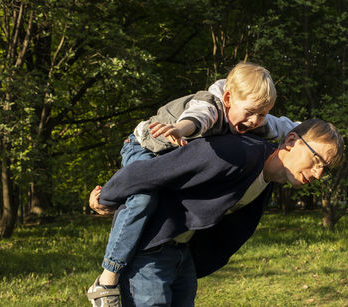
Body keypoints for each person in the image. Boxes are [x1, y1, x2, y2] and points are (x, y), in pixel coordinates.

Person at [87, 62, 300, 306]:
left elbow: (283, 125)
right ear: (228, 98)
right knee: (143, 198)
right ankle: (107, 278)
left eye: (261, 115)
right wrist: (179, 129)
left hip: (173, 216)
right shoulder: (210, 105)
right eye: (251, 113)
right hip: (143, 144)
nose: (254, 121)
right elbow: (198, 118)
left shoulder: (254, 116)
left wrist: (315, 131)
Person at [89, 119, 344, 306]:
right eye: (317, 160)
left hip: (181, 257)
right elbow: (151, 171)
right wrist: (106, 199)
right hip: (151, 252)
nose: (319, 174)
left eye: (326, 169)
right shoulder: (235, 153)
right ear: (290, 141)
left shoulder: (266, 181)